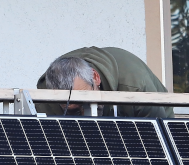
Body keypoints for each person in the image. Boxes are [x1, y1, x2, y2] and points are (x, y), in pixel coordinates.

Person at [36, 46, 174, 118]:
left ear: (95, 77)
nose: (85, 113)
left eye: (87, 101)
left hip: (155, 114)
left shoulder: (135, 87)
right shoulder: (47, 96)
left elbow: (157, 141)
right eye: (74, 110)